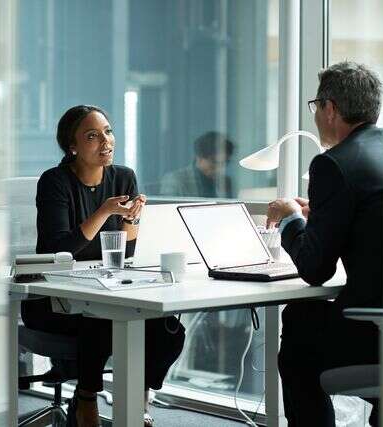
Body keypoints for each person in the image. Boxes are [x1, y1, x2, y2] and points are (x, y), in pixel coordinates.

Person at [20, 105, 185, 427]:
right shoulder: (54, 181)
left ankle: (138, 398)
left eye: (108, 132)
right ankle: (86, 398)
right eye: (92, 136)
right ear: (72, 145)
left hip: (104, 285)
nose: (105, 141)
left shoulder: (123, 177)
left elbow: (128, 251)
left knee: (167, 328)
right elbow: (58, 250)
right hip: (50, 298)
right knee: (100, 317)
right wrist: (103, 213)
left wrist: (132, 218)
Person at [266, 62, 383, 426]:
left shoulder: (332, 164)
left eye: (315, 106)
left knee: (301, 322)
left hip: (374, 332)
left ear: (330, 108)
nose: (315, 116)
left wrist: (291, 217)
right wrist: (318, 212)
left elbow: (314, 269)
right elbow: (371, 217)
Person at [160, 131, 235, 198]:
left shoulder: (225, 182)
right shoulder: (175, 180)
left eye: (225, 162)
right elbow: (168, 210)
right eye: (214, 162)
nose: (220, 168)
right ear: (199, 157)